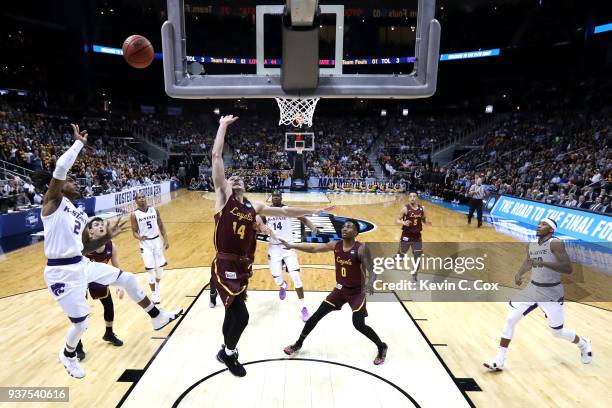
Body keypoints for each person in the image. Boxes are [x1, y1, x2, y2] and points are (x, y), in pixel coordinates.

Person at [35, 124, 182, 379]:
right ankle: (68, 355)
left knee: (126, 278)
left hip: (80, 263)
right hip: (60, 272)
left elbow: (85, 247)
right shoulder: (52, 203)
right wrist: (78, 144)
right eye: (71, 181)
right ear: (58, 186)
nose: (75, 183)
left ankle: (156, 317)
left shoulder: (78, 211)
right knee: (81, 323)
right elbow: (60, 168)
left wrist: (107, 237)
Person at [208, 115, 333, 377]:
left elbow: (287, 212)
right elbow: (217, 157)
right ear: (226, 184)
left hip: (243, 266)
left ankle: (224, 349)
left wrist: (314, 209)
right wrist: (222, 126)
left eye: (240, 179)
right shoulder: (223, 197)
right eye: (233, 178)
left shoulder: (255, 207)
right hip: (225, 262)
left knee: (233, 313)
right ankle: (229, 354)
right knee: (241, 317)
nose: (236, 179)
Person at [484, 218, 592, 371]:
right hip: (533, 289)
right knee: (510, 319)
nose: (539, 226)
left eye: (543, 225)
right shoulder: (532, 244)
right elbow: (529, 261)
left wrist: (545, 263)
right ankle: (499, 359)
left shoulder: (555, 243)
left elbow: (568, 268)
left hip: (551, 292)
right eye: (539, 223)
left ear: (551, 230)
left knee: (557, 332)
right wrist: (519, 273)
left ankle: (583, 343)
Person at [281, 220, 388, 365]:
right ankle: (298, 344)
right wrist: (291, 245)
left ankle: (381, 346)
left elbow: (373, 270)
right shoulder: (335, 245)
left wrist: (370, 283)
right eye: (344, 226)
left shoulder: (361, 249)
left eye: (349, 227)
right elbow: (313, 248)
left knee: (358, 324)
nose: (345, 229)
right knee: (316, 316)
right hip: (339, 290)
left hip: (357, 293)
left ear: (356, 232)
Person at [261, 191, 319, 321]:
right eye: (274, 196)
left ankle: (303, 307)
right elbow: (259, 224)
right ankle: (282, 285)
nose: (276, 198)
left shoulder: (286, 210)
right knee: (277, 278)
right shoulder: (266, 211)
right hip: (274, 248)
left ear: (281, 198)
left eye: (278, 196)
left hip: (289, 247)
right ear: (272, 198)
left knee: (296, 277)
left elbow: (303, 218)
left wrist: (312, 226)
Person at [75, 217, 126, 361]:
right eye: (96, 225)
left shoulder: (111, 246)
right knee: (80, 314)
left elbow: (117, 268)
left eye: (102, 224)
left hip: (97, 280)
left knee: (109, 304)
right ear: (90, 232)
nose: (100, 226)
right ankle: (77, 345)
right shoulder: (84, 247)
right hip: (81, 281)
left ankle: (109, 333)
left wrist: (120, 286)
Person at [131, 192, 170, 304]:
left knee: (160, 270)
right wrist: (139, 237)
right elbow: (134, 232)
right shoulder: (134, 215)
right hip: (145, 244)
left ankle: (157, 286)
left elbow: (161, 225)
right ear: (136, 201)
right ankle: (154, 294)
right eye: (139, 197)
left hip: (157, 241)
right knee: (150, 270)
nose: (142, 199)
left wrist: (166, 239)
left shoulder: (154, 210)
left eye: (143, 197)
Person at [396, 192, 432, 281]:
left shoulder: (422, 208)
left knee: (417, 257)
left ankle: (415, 274)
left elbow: (423, 219)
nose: (412, 198)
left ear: (417, 198)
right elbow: (397, 219)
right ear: (409, 198)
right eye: (411, 196)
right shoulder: (405, 208)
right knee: (401, 256)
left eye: (414, 196)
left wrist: (426, 222)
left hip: (417, 237)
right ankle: (398, 255)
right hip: (406, 236)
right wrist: (403, 222)